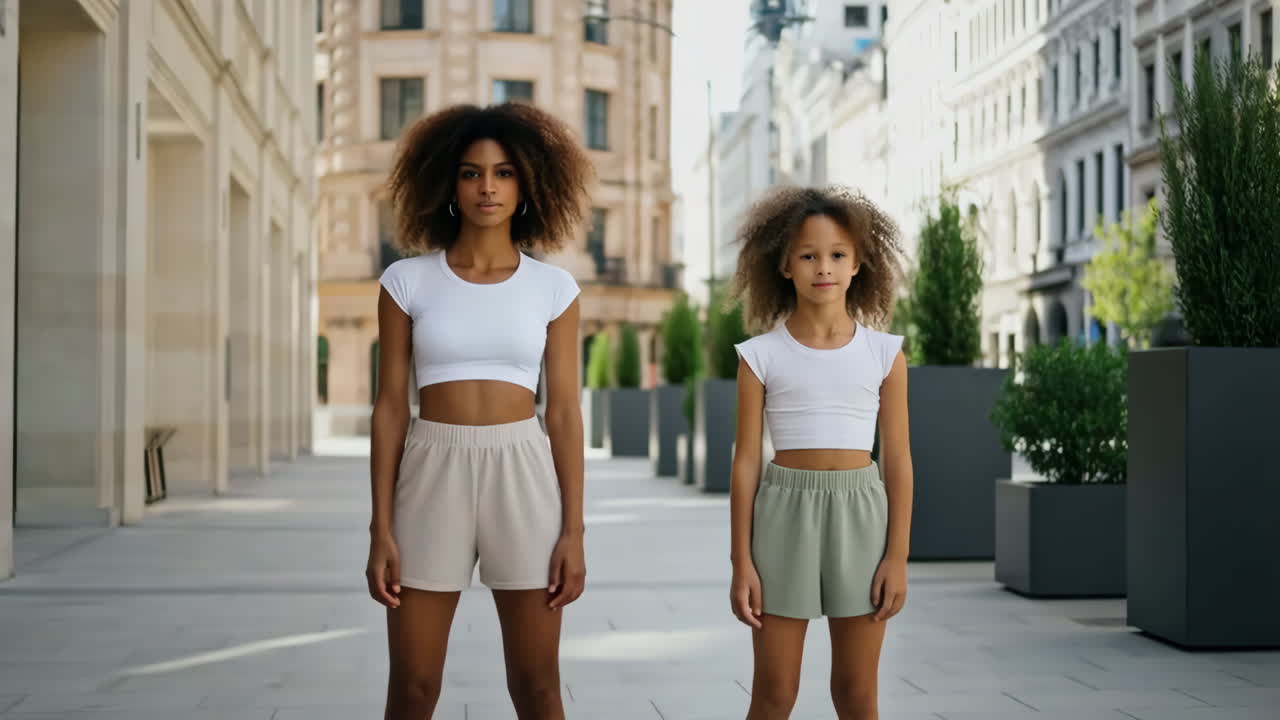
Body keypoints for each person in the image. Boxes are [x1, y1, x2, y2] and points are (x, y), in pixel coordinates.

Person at [367, 102, 592, 720]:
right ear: (449, 183)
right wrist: (379, 525)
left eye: (503, 172)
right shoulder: (406, 282)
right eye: (471, 173)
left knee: (538, 687)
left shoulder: (553, 289)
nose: (487, 186)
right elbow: (390, 408)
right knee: (412, 689)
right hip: (429, 470)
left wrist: (574, 530)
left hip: (523, 473)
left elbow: (565, 414)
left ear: (527, 185)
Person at [726, 186, 914, 720]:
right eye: (808, 255)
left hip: (862, 518)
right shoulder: (759, 356)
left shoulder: (885, 354)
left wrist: (896, 557)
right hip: (784, 518)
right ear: (785, 265)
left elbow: (897, 460)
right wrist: (741, 561)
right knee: (775, 693)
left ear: (858, 263)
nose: (823, 267)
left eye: (836, 255)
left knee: (856, 695)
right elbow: (745, 463)